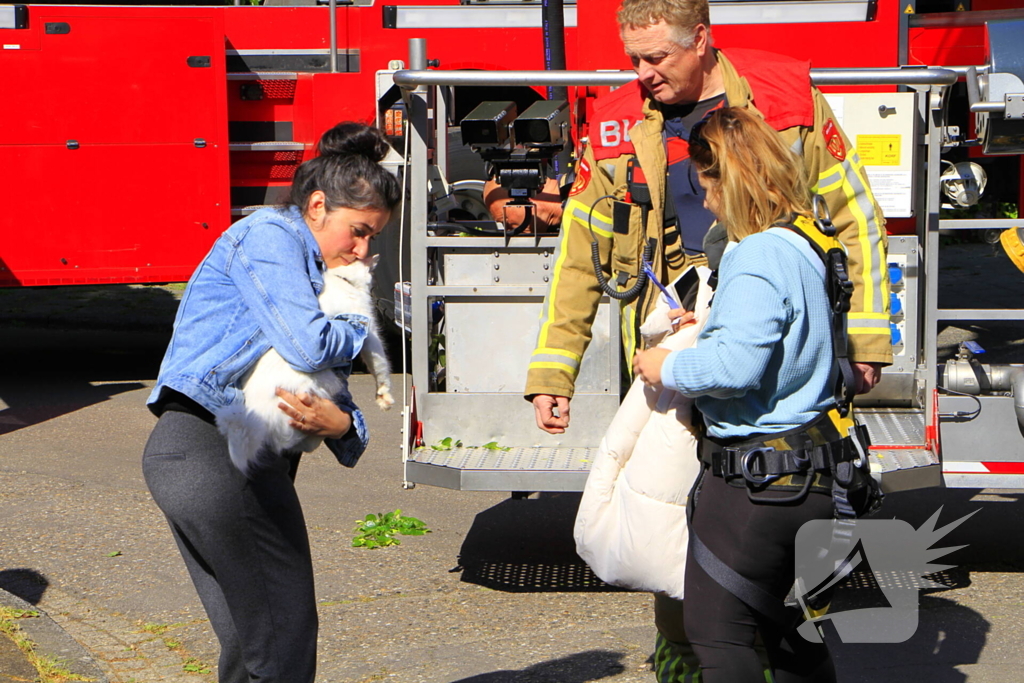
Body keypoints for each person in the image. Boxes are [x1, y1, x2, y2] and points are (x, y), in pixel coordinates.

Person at [523, 1, 891, 679]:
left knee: (774, 559)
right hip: (678, 360)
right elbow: (578, 255)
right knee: (674, 529)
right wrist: (554, 372)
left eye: (656, 57)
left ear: (701, 40)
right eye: (633, 58)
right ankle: (690, 658)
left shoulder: (786, 101)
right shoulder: (616, 122)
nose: (642, 74)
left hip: (762, 364)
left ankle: (748, 652)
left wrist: (866, 336)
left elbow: (857, 217)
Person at [142, 122, 401, 683]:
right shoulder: (269, 236)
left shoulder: (316, 271)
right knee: (283, 641)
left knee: (253, 648)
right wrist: (362, 329)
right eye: (358, 232)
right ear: (317, 206)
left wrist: (344, 426)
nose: (363, 251)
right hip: (213, 452)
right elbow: (308, 345)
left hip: (223, 461)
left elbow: (317, 379)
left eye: (373, 238)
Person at [633, 106, 875, 682]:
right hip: (815, 476)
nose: (707, 201)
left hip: (758, 486)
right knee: (787, 637)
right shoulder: (806, 240)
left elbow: (735, 368)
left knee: (719, 636)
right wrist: (712, 325)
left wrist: (664, 364)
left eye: (707, 185)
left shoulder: (756, 252)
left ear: (731, 179)